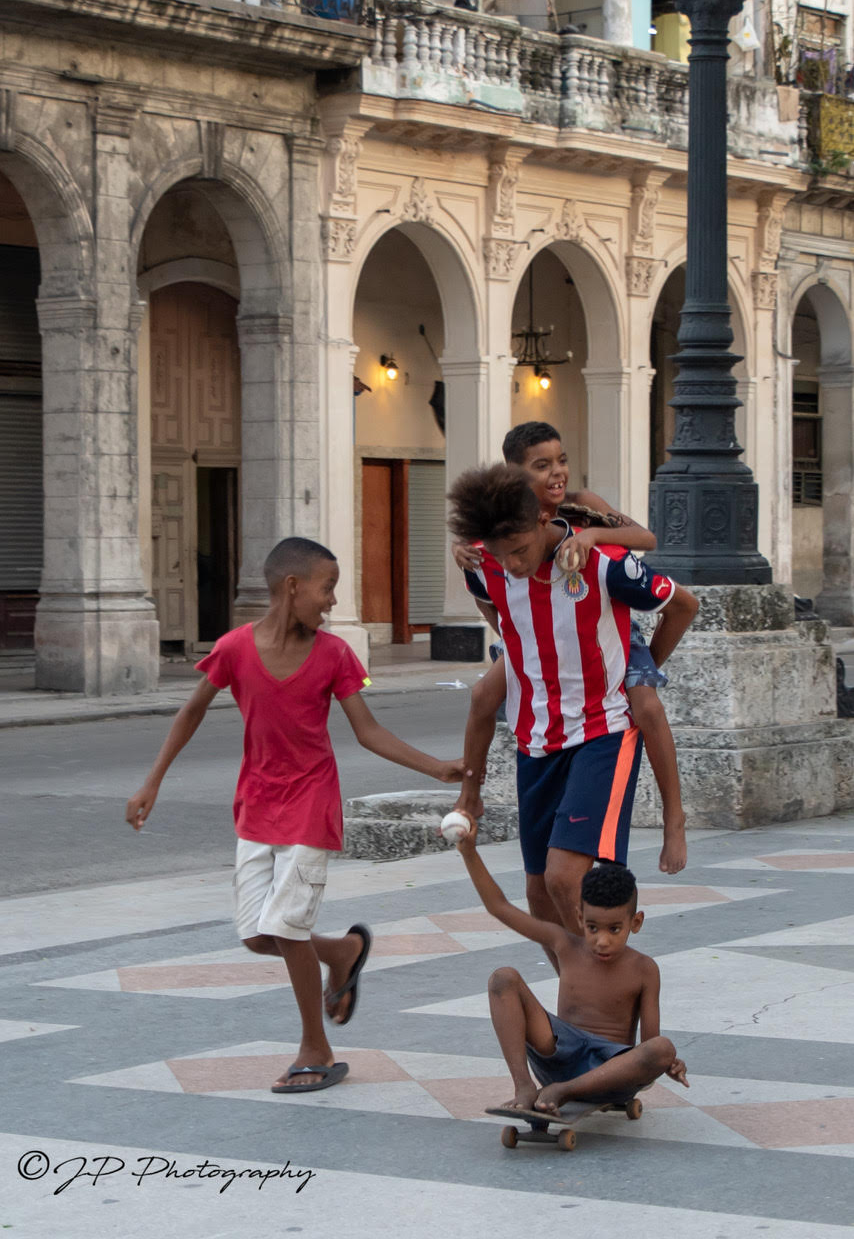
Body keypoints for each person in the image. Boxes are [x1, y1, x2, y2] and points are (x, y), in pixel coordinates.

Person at [125, 536, 463, 1095]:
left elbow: (368, 731)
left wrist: (437, 768)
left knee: (284, 927)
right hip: (256, 806)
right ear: (292, 586)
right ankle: (346, 952)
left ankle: (315, 1049)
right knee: (259, 937)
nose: (332, 602)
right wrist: (151, 782)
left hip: (311, 804)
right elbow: (190, 713)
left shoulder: (333, 655)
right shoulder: (235, 648)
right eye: (327, 588)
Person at [447, 463, 698, 943]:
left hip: (603, 733)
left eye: (520, 551)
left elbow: (683, 605)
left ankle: (604, 987)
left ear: (542, 520)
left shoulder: (603, 563)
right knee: (540, 894)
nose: (514, 565)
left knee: (566, 877)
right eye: (504, 556)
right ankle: (579, 992)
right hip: (535, 743)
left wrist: (632, 668)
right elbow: (491, 601)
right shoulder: (485, 568)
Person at [454, 827, 688, 1113]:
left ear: (635, 923)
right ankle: (525, 1086)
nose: (602, 941)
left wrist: (669, 1063)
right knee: (503, 978)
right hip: (559, 1056)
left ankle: (564, 1091)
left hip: (611, 1073)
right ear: (580, 917)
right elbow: (499, 907)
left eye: (614, 929)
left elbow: (649, 1044)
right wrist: (470, 853)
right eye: (592, 928)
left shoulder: (644, 969)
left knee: (662, 1048)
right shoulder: (564, 944)